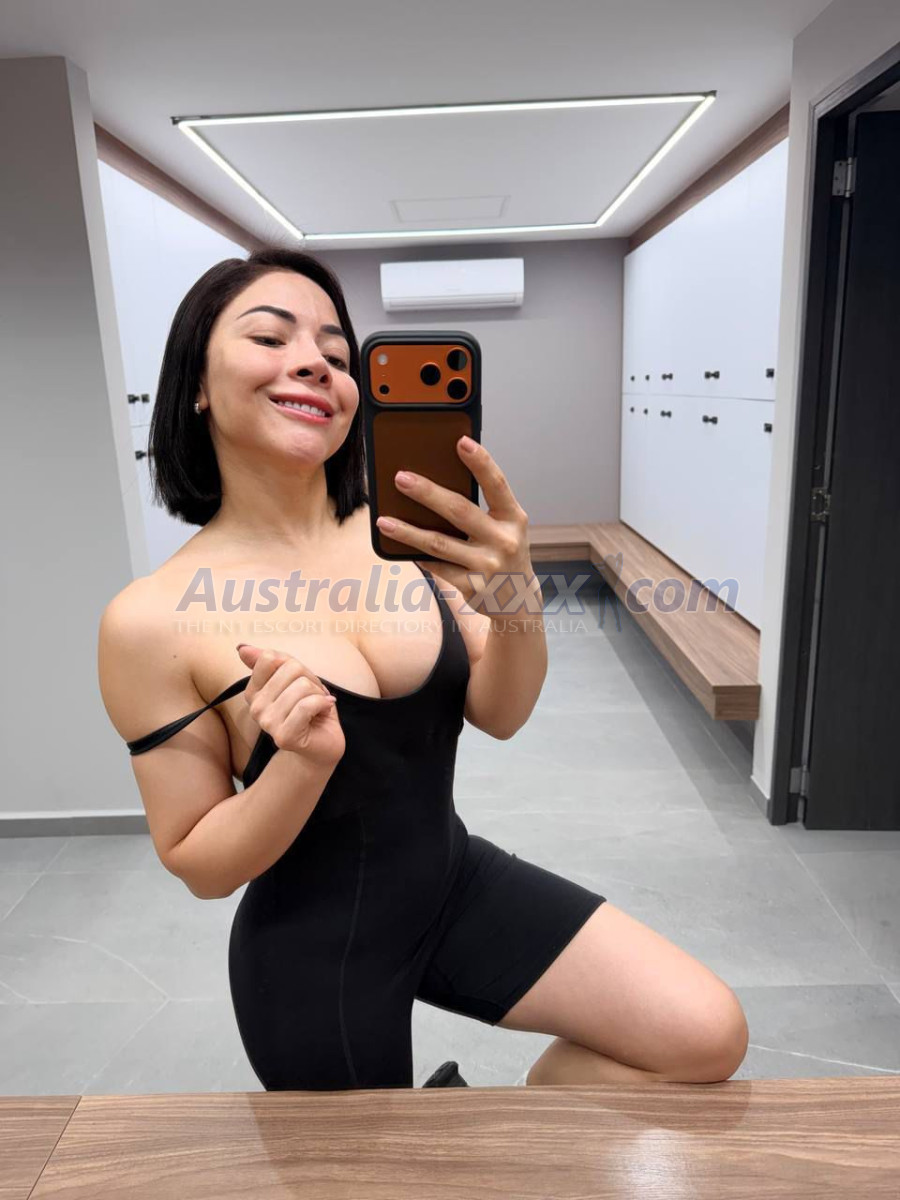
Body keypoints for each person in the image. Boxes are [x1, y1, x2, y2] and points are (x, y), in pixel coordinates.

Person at [98, 246, 749, 1092]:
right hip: (315, 951)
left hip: (453, 881)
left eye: (337, 353)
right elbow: (199, 863)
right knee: (379, 1163)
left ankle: (480, 1132)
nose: (314, 363)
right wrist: (298, 766)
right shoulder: (150, 618)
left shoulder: (407, 536)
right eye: (270, 338)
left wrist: (516, 597)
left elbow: (501, 711)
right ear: (195, 382)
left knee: (706, 1033)